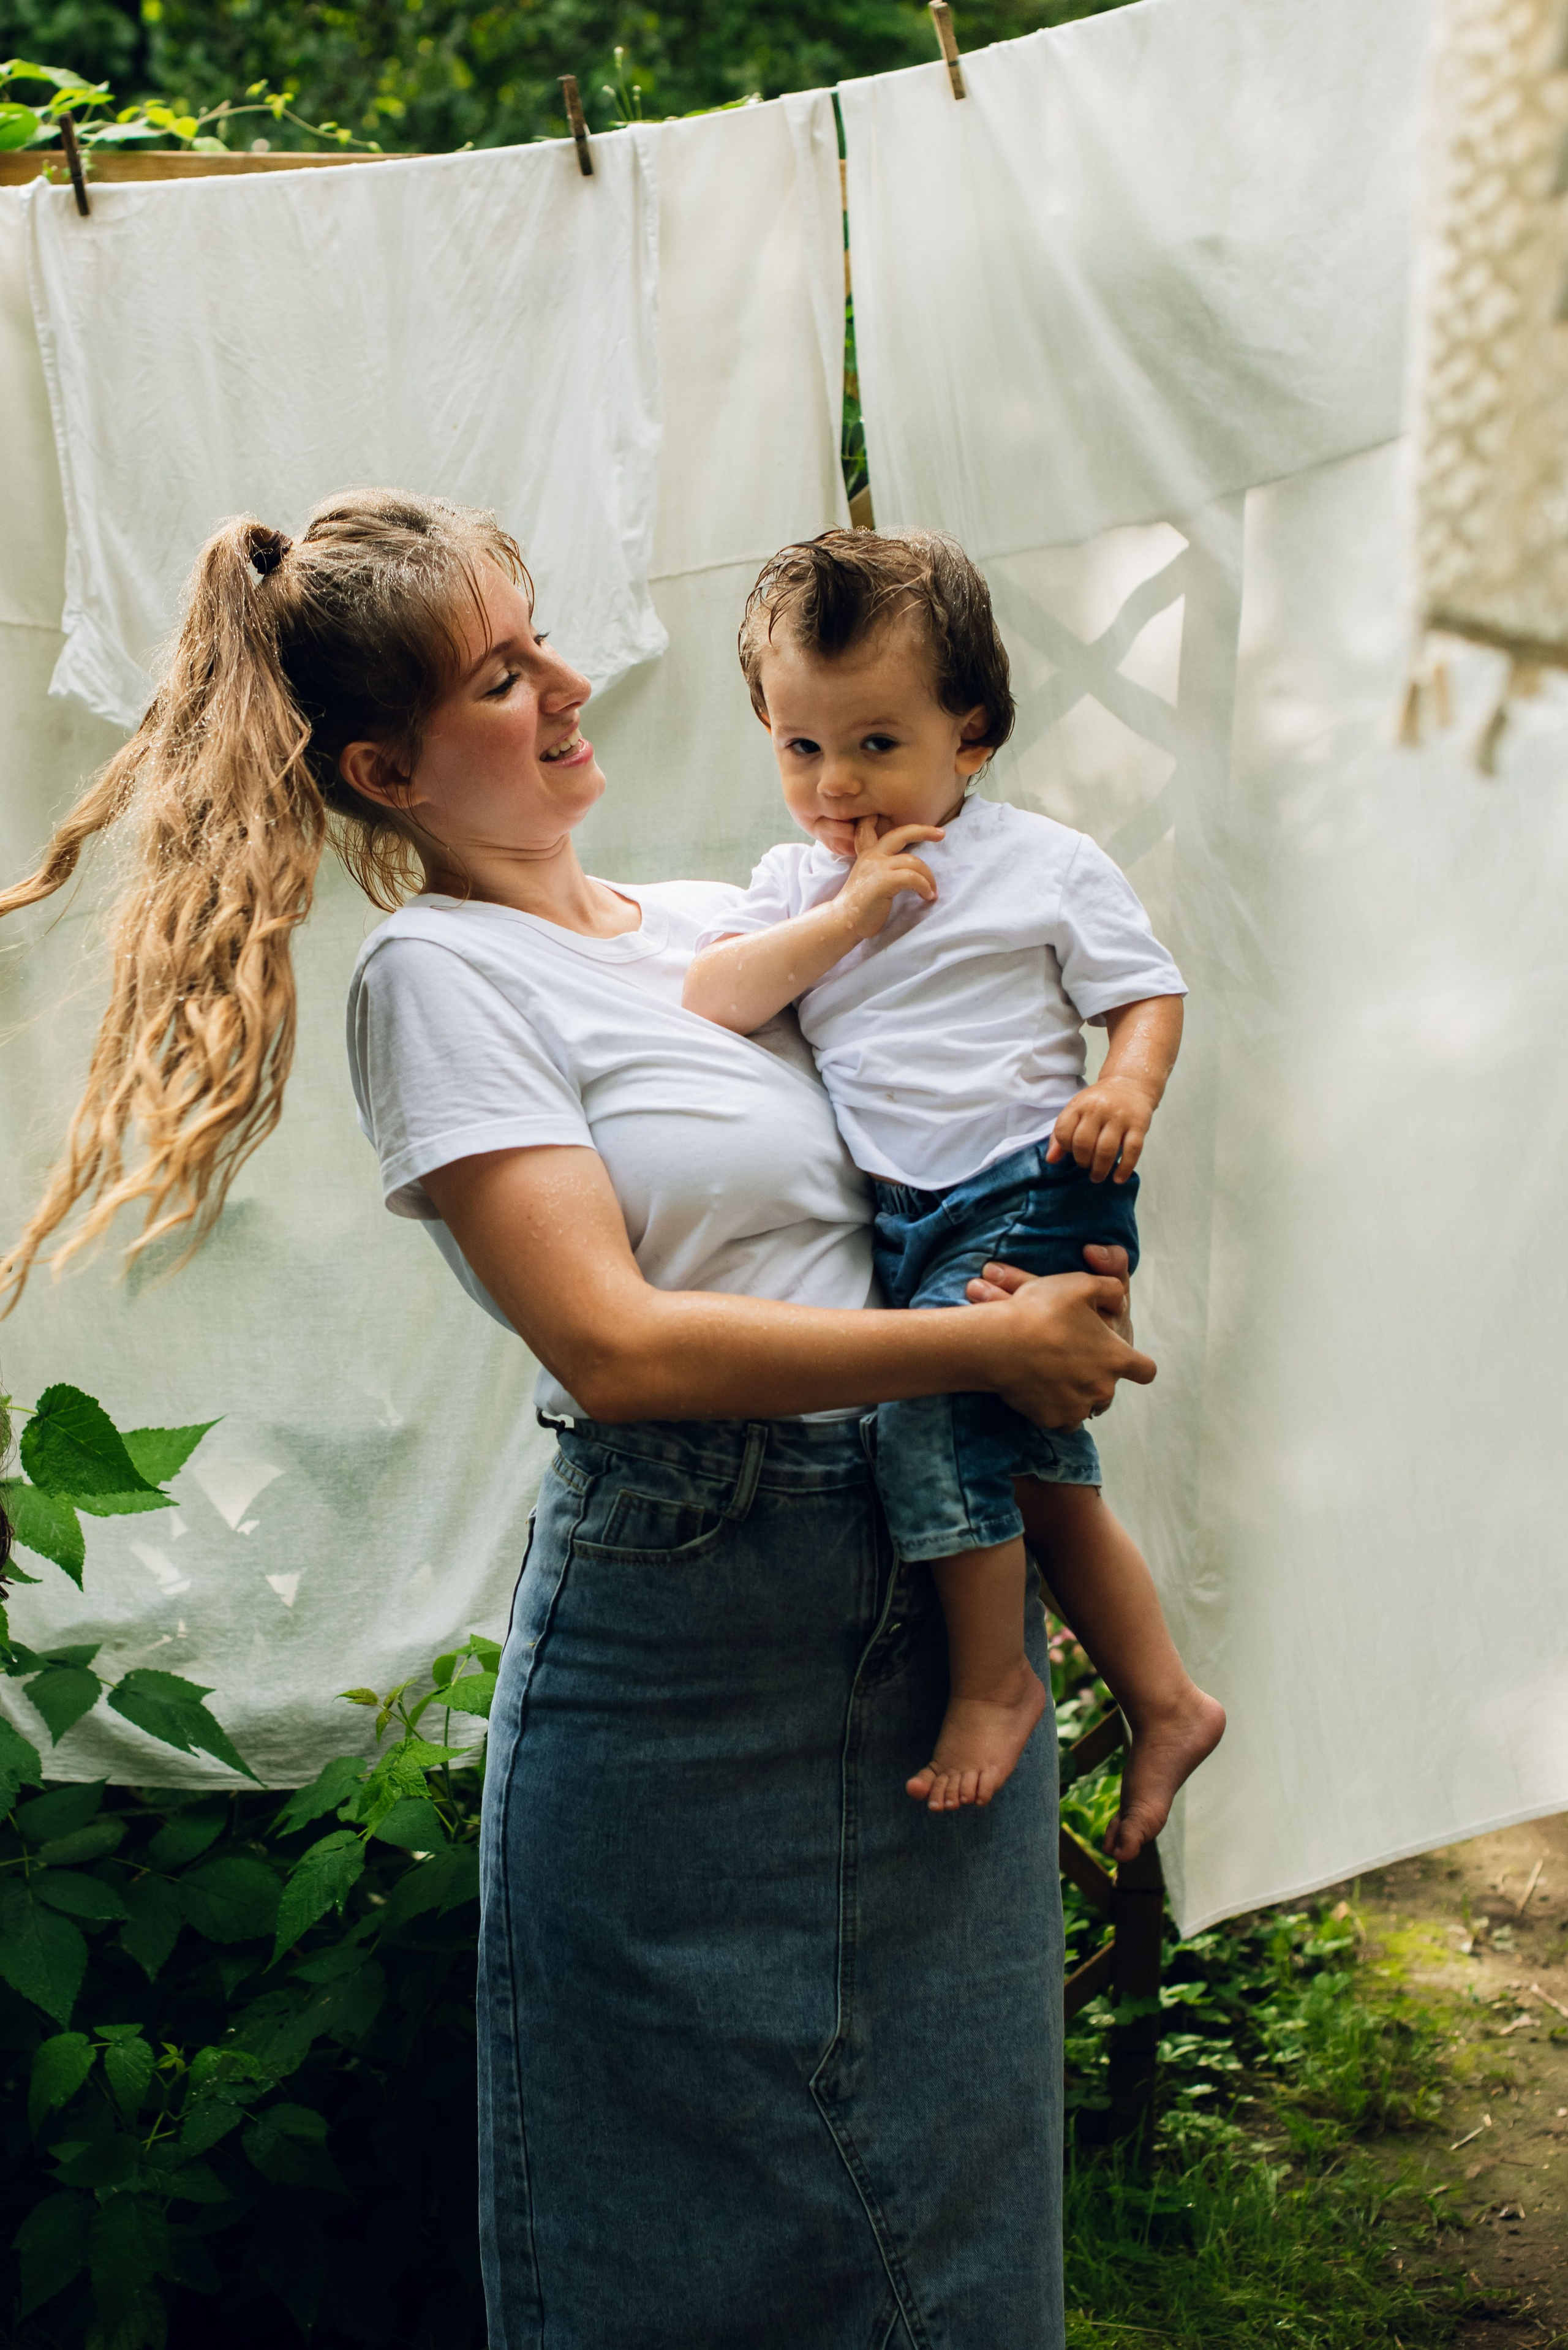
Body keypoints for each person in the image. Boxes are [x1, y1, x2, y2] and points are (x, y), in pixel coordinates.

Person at [0, 489, 1158, 2350]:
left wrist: (1057, 1265)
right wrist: (981, 1356)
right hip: (693, 1639)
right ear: (384, 766)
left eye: (539, 633)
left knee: (951, 2213)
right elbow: (614, 1344)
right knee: (693, 2241)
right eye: (497, 672)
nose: (565, 679)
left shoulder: (728, 918)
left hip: (920, 1574)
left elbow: (948, 1141)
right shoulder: (441, 980)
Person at [685, 529, 1224, 1832]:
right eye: (800, 747)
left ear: (968, 736)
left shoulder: (1038, 861)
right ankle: (1164, 1696)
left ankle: (994, 1679)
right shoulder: (791, 887)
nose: (836, 785)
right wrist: (845, 913)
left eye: (877, 743)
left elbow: (1143, 992)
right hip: (902, 1211)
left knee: (922, 1407)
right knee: (1031, 1465)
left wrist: (1125, 1089)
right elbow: (715, 996)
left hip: (1034, 1176)